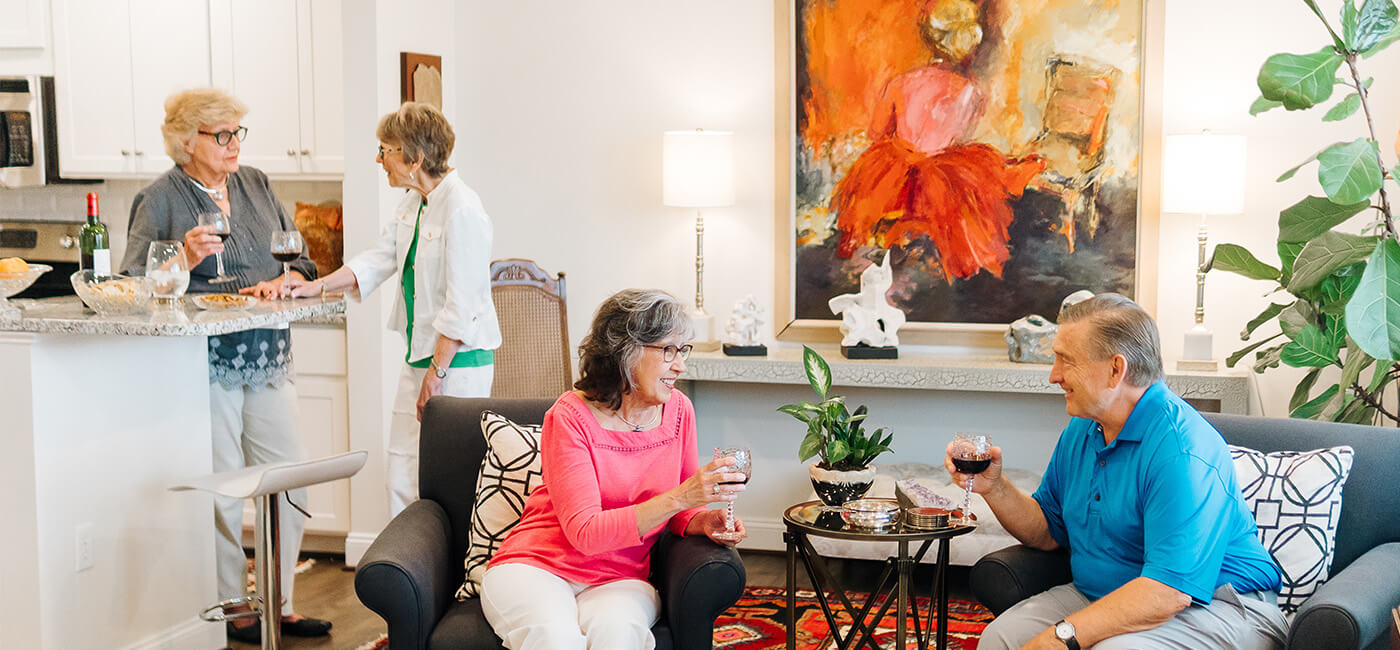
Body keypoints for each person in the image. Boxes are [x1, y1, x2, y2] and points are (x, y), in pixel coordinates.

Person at [954, 294, 1288, 649]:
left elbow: (1167, 593)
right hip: (1111, 594)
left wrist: (1059, 637)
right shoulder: (1084, 428)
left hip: (1217, 603)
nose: (1054, 375)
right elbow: (1048, 531)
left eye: (1066, 361)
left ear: (1116, 369)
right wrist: (994, 486)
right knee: (999, 639)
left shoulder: (1183, 450)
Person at [121, 88, 329, 643]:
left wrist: (289, 279)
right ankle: (237, 608)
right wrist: (181, 259)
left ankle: (280, 603)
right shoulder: (160, 199)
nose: (235, 144)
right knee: (223, 491)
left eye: (239, 132)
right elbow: (132, 287)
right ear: (187, 142)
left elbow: (301, 257)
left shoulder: (257, 184)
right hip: (204, 365)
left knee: (290, 480)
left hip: (267, 353)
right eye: (223, 135)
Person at [480, 289, 748, 650]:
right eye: (668, 349)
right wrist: (684, 495)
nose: (680, 365)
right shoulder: (570, 416)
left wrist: (703, 521)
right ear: (626, 350)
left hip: (620, 575)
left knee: (618, 637)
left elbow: (681, 511)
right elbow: (586, 533)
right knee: (554, 639)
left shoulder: (680, 411)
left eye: (683, 350)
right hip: (537, 566)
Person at [285, 102, 501, 516]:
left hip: (459, 365)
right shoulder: (414, 202)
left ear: (415, 157)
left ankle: (454, 575)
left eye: (386, 149)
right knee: (402, 473)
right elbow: (379, 258)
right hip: (419, 357)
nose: (379, 159)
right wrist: (316, 287)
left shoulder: (464, 209)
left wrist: (437, 375)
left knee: (452, 478)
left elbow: (463, 302)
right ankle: (408, 571)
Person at [831, 0, 1045, 280]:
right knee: (964, 193)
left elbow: (877, 133)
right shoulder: (972, 91)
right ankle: (923, 251)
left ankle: (897, 244)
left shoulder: (900, 82)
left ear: (930, 37)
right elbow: (956, 137)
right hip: (944, 177)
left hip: (894, 171)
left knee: (888, 192)